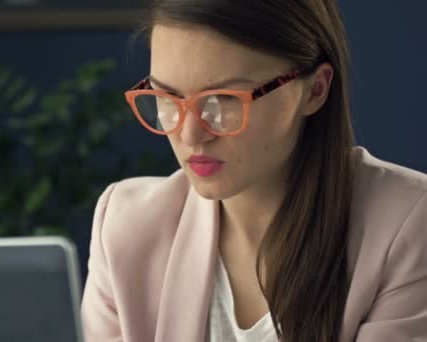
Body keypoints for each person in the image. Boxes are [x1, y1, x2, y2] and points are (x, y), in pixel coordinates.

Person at [80, 1, 427, 341]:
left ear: (315, 90)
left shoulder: (406, 225)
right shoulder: (125, 226)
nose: (191, 134)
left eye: (225, 99)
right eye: (167, 97)